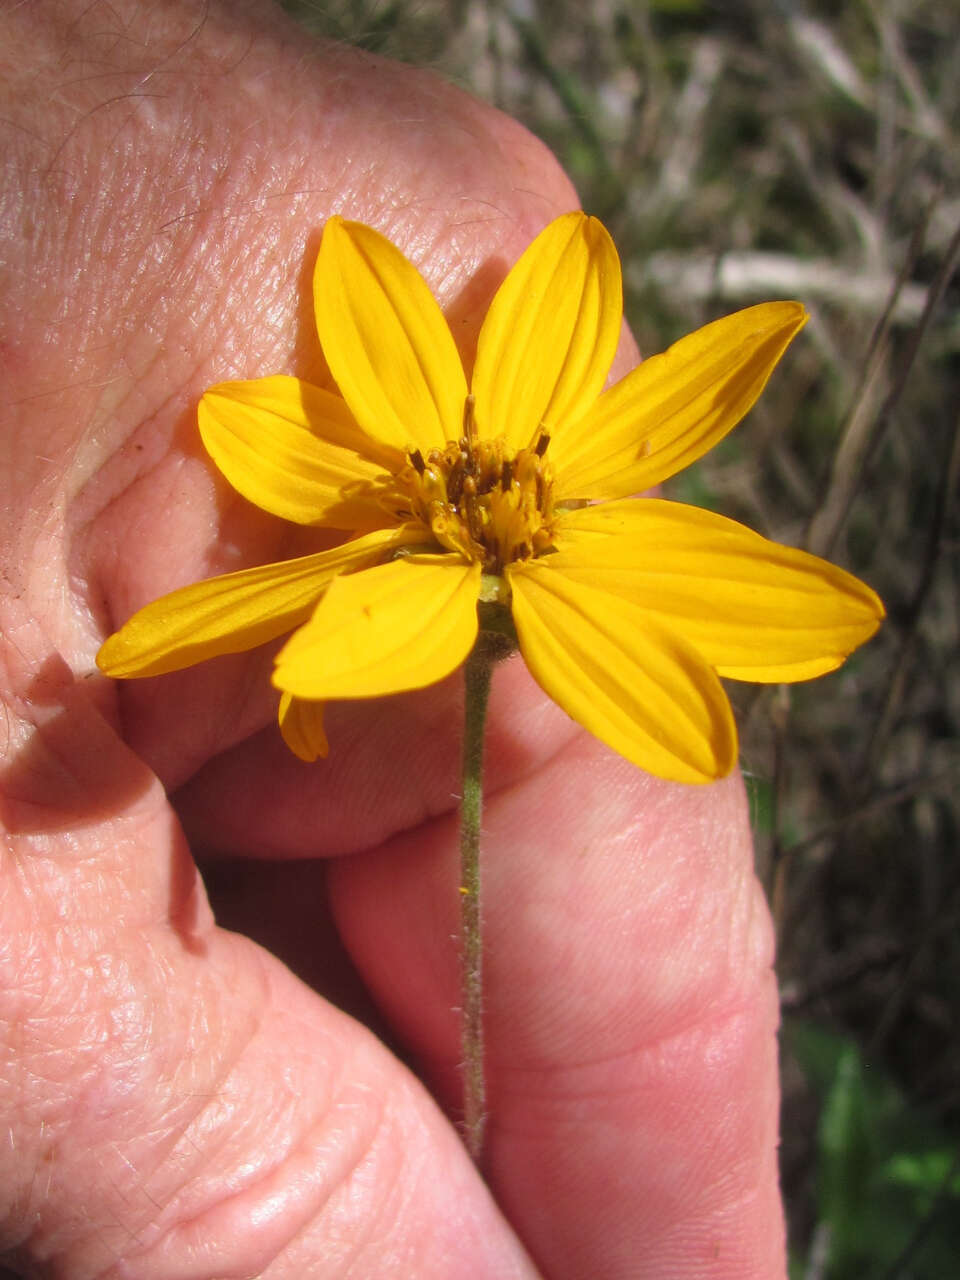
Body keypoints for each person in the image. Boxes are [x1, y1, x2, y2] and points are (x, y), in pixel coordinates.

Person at [0, 1, 785, 1274]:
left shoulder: (510, 566)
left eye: (496, 491)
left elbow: (571, 261)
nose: (491, 495)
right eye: (480, 489)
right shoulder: (389, 565)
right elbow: (298, 555)